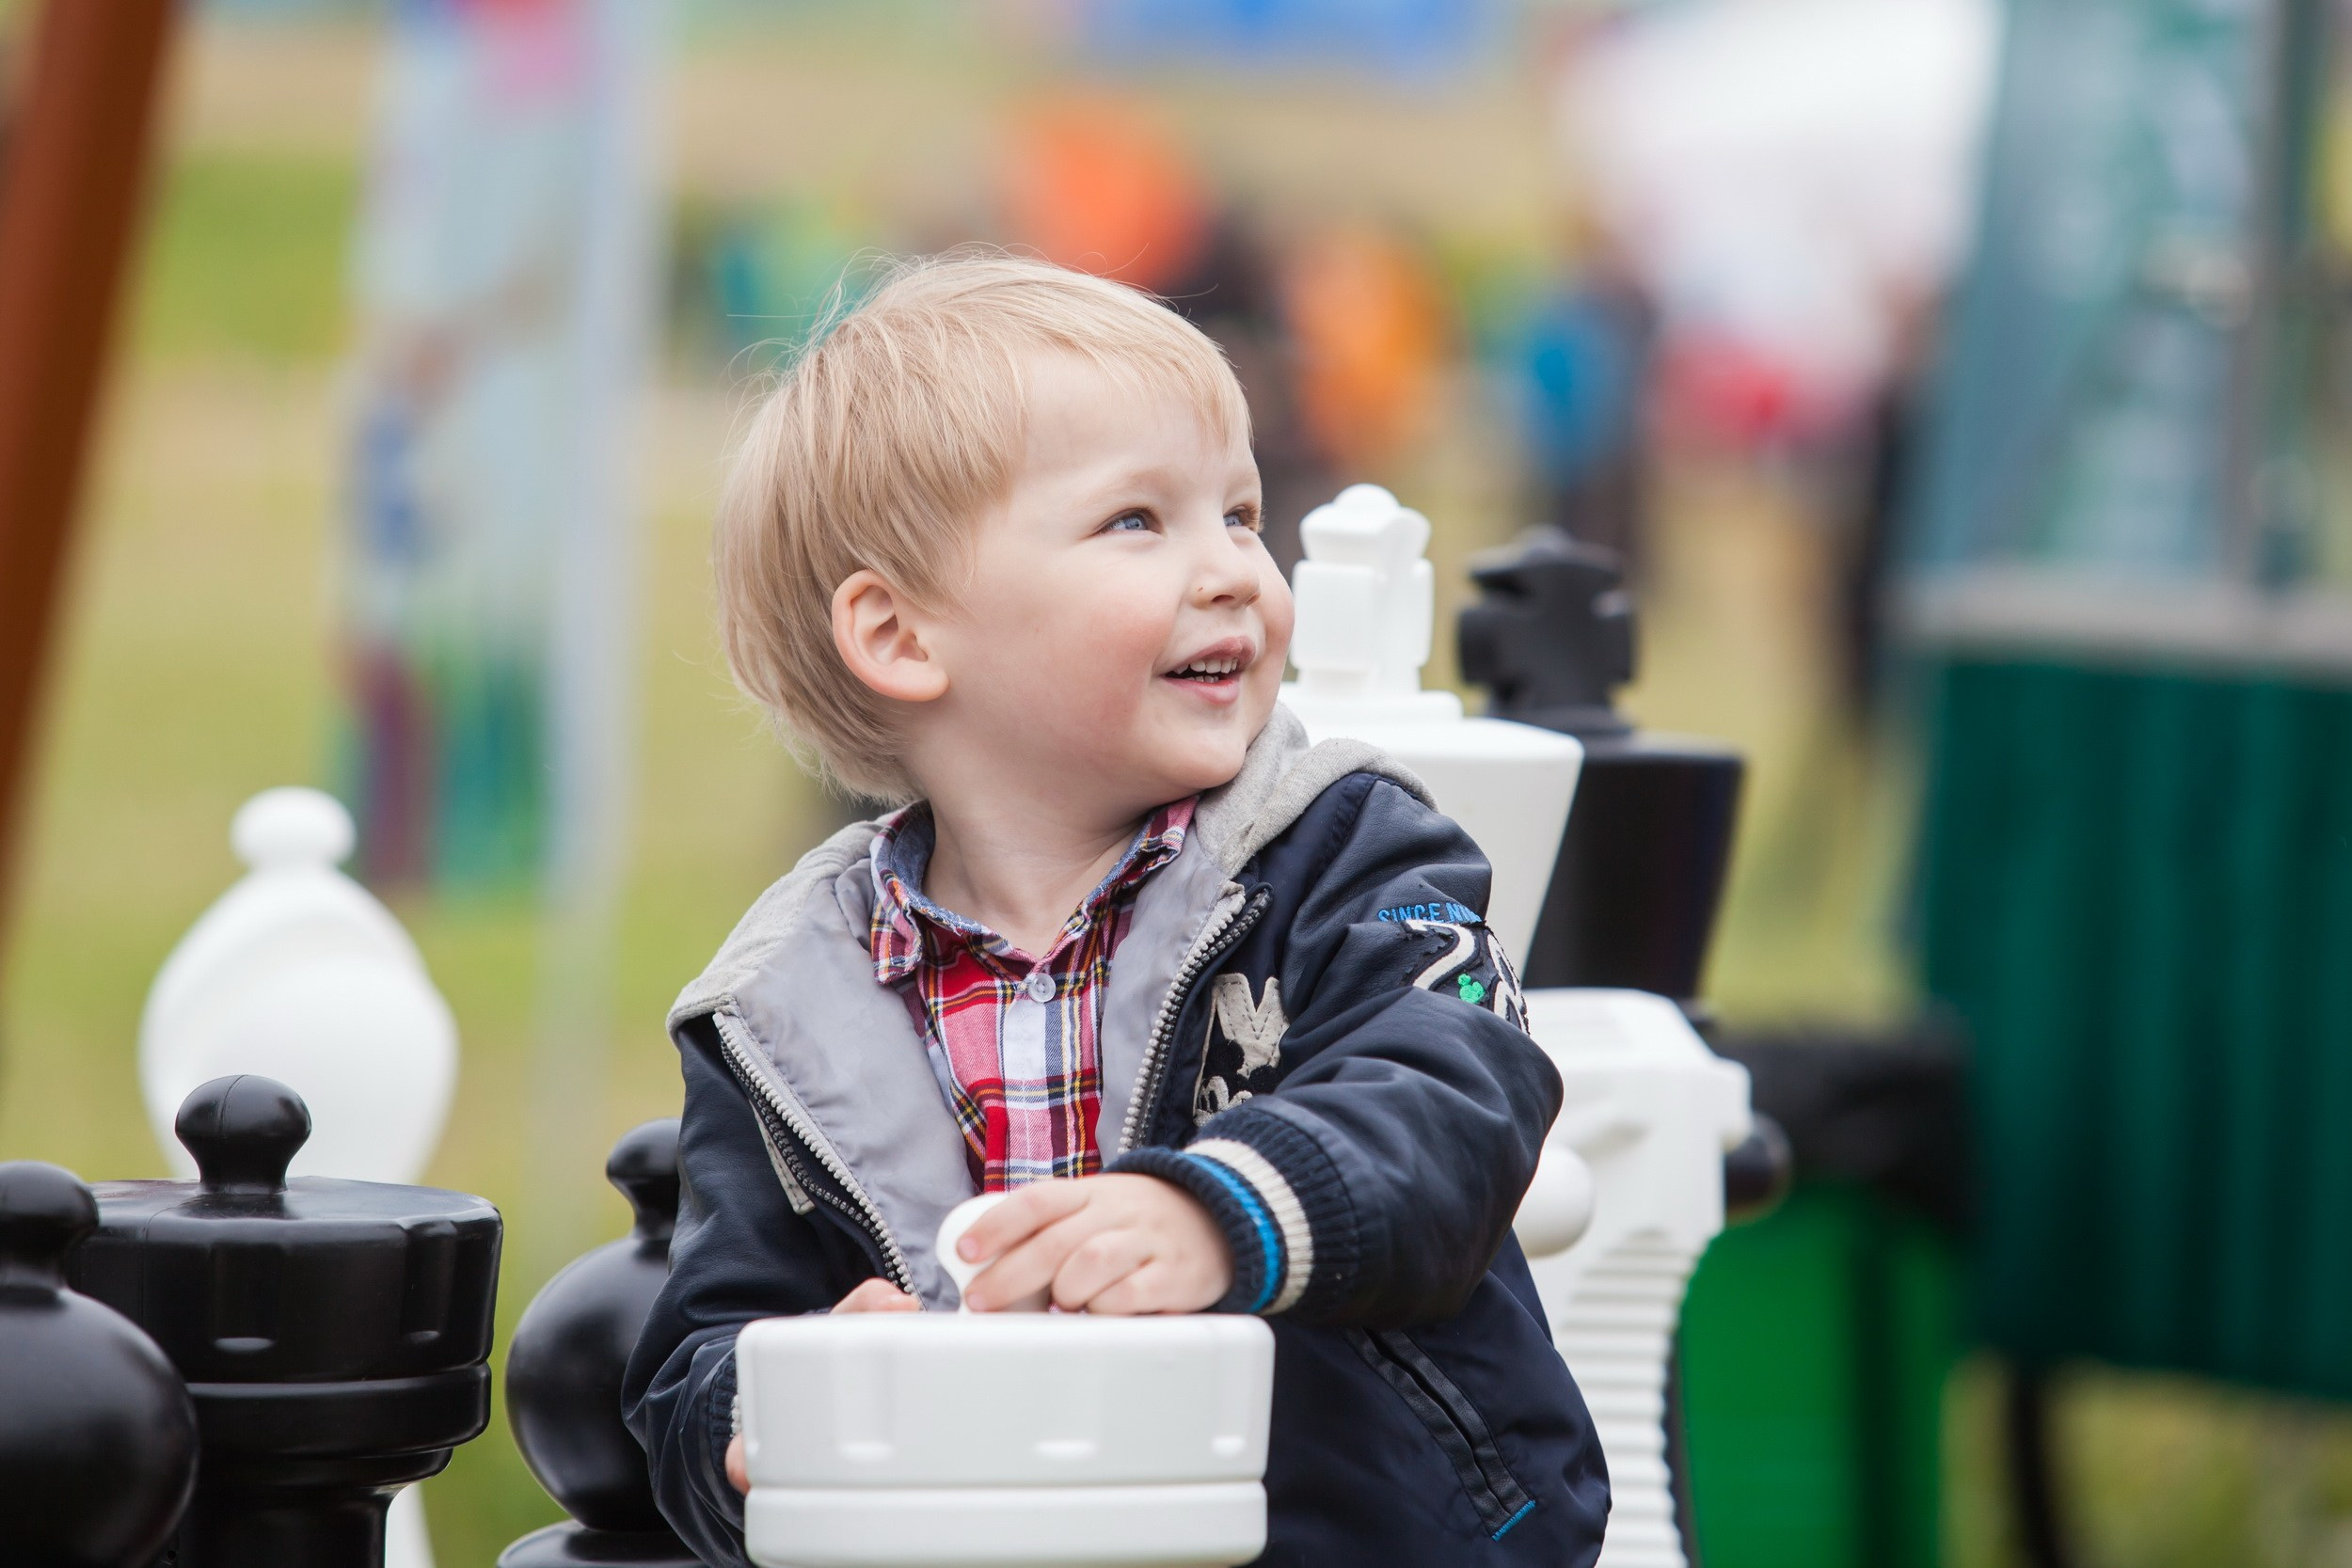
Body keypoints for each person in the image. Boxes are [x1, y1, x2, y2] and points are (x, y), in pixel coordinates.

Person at [623, 250, 1609, 1567]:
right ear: (904, 637)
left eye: (1242, 515)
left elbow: (1457, 1096)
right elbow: (695, 1352)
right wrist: (767, 1406)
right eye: (1138, 522)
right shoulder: (791, 1003)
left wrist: (1221, 1212)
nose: (1234, 576)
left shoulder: (1344, 854)